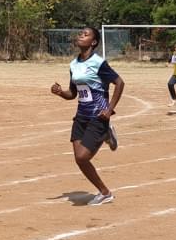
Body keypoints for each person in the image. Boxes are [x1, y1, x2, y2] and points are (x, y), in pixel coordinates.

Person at [51, 27, 124, 206]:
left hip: (97, 117)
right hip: (81, 117)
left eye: (86, 34)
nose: (81, 35)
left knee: (83, 157)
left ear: (93, 42)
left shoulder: (98, 63)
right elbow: (73, 94)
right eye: (80, 33)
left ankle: (105, 132)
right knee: (79, 159)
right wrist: (60, 92)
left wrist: (109, 109)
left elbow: (119, 83)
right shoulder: (73, 64)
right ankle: (105, 193)